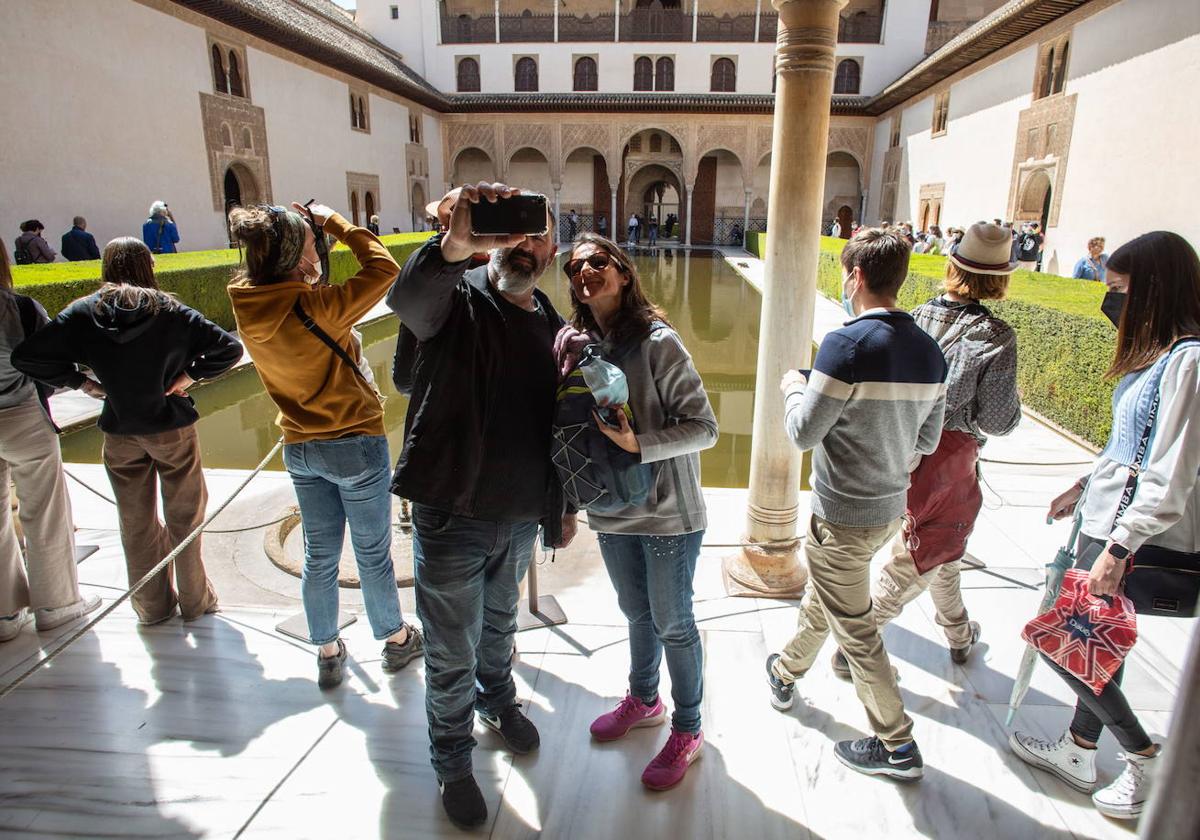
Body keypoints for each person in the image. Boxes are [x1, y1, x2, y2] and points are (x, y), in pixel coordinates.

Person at [387, 181, 576, 829]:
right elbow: (409, 304)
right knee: (449, 650)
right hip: (453, 511)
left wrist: (564, 504)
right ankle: (451, 760)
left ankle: (497, 699)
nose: (524, 244)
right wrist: (453, 247)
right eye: (512, 230)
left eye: (536, 233)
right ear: (491, 241)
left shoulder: (550, 319)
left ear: (552, 249)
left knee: (499, 627)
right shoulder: (454, 296)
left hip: (521, 512)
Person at [1011, 231, 1200, 820]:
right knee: (1094, 646)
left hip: (1132, 538)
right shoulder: (1164, 355)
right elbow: (1128, 449)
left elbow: (1172, 472)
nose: (1109, 300)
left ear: (1153, 290)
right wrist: (1083, 487)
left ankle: (1143, 755)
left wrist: (1120, 545)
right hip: (1108, 523)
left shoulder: (1191, 360)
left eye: (1118, 290)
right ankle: (1078, 748)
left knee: (1063, 644)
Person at [764, 227, 947, 782]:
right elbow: (927, 444)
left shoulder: (847, 345)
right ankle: (787, 671)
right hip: (887, 510)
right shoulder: (929, 351)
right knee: (833, 598)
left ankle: (897, 745)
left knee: (857, 629)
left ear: (856, 276)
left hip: (842, 514)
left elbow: (802, 432)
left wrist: (792, 384)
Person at [226, 202, 421, 688]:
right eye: (312, 241)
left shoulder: (246, 302)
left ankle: (328, 649)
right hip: (353, 441)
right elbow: (384, 267)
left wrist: (306, 242)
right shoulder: (320, 307)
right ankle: (395, 639)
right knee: (372, 551)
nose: (320, 244)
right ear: (295, 256)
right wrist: (335, 219)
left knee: (319, 553)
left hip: (300, 445)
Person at [557, 234, 718, 791]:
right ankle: (644, 700)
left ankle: (689, 728)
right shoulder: (578, 345)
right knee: (636, 612)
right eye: (573, 266)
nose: (584, 272)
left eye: (598, 262)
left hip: (667, 511)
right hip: (610, 508)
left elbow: (705, 427)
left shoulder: (658, 341)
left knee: (673, 622)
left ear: (623, 274)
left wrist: (638, 445)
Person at [12, 237, 240, 625]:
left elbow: (27, 356)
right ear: (146, 267)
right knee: (185, 515)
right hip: (170, 427)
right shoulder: (168, 309)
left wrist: (84, 383)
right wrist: (185, 378)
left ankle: (151, 607)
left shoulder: (84, 312)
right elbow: (228, 350)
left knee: (135, 521)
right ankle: (195, 601)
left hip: (120, 428)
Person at [829, 223, 1020, 679]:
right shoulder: (996, 336)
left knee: (943, 548)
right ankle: (855, 646)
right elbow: (997, 419)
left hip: (896, 448)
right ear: (1001, 278)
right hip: (946, 462)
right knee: (925, 548)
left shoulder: (913, 319)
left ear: (951, 264)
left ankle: (959, 634)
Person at [0, 240, 101, 641]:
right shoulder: (20, 308)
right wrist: (81, 382)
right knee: (44, 512)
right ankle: (57, 606)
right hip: (21, 414)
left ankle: (5, 616)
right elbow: (51, 361)